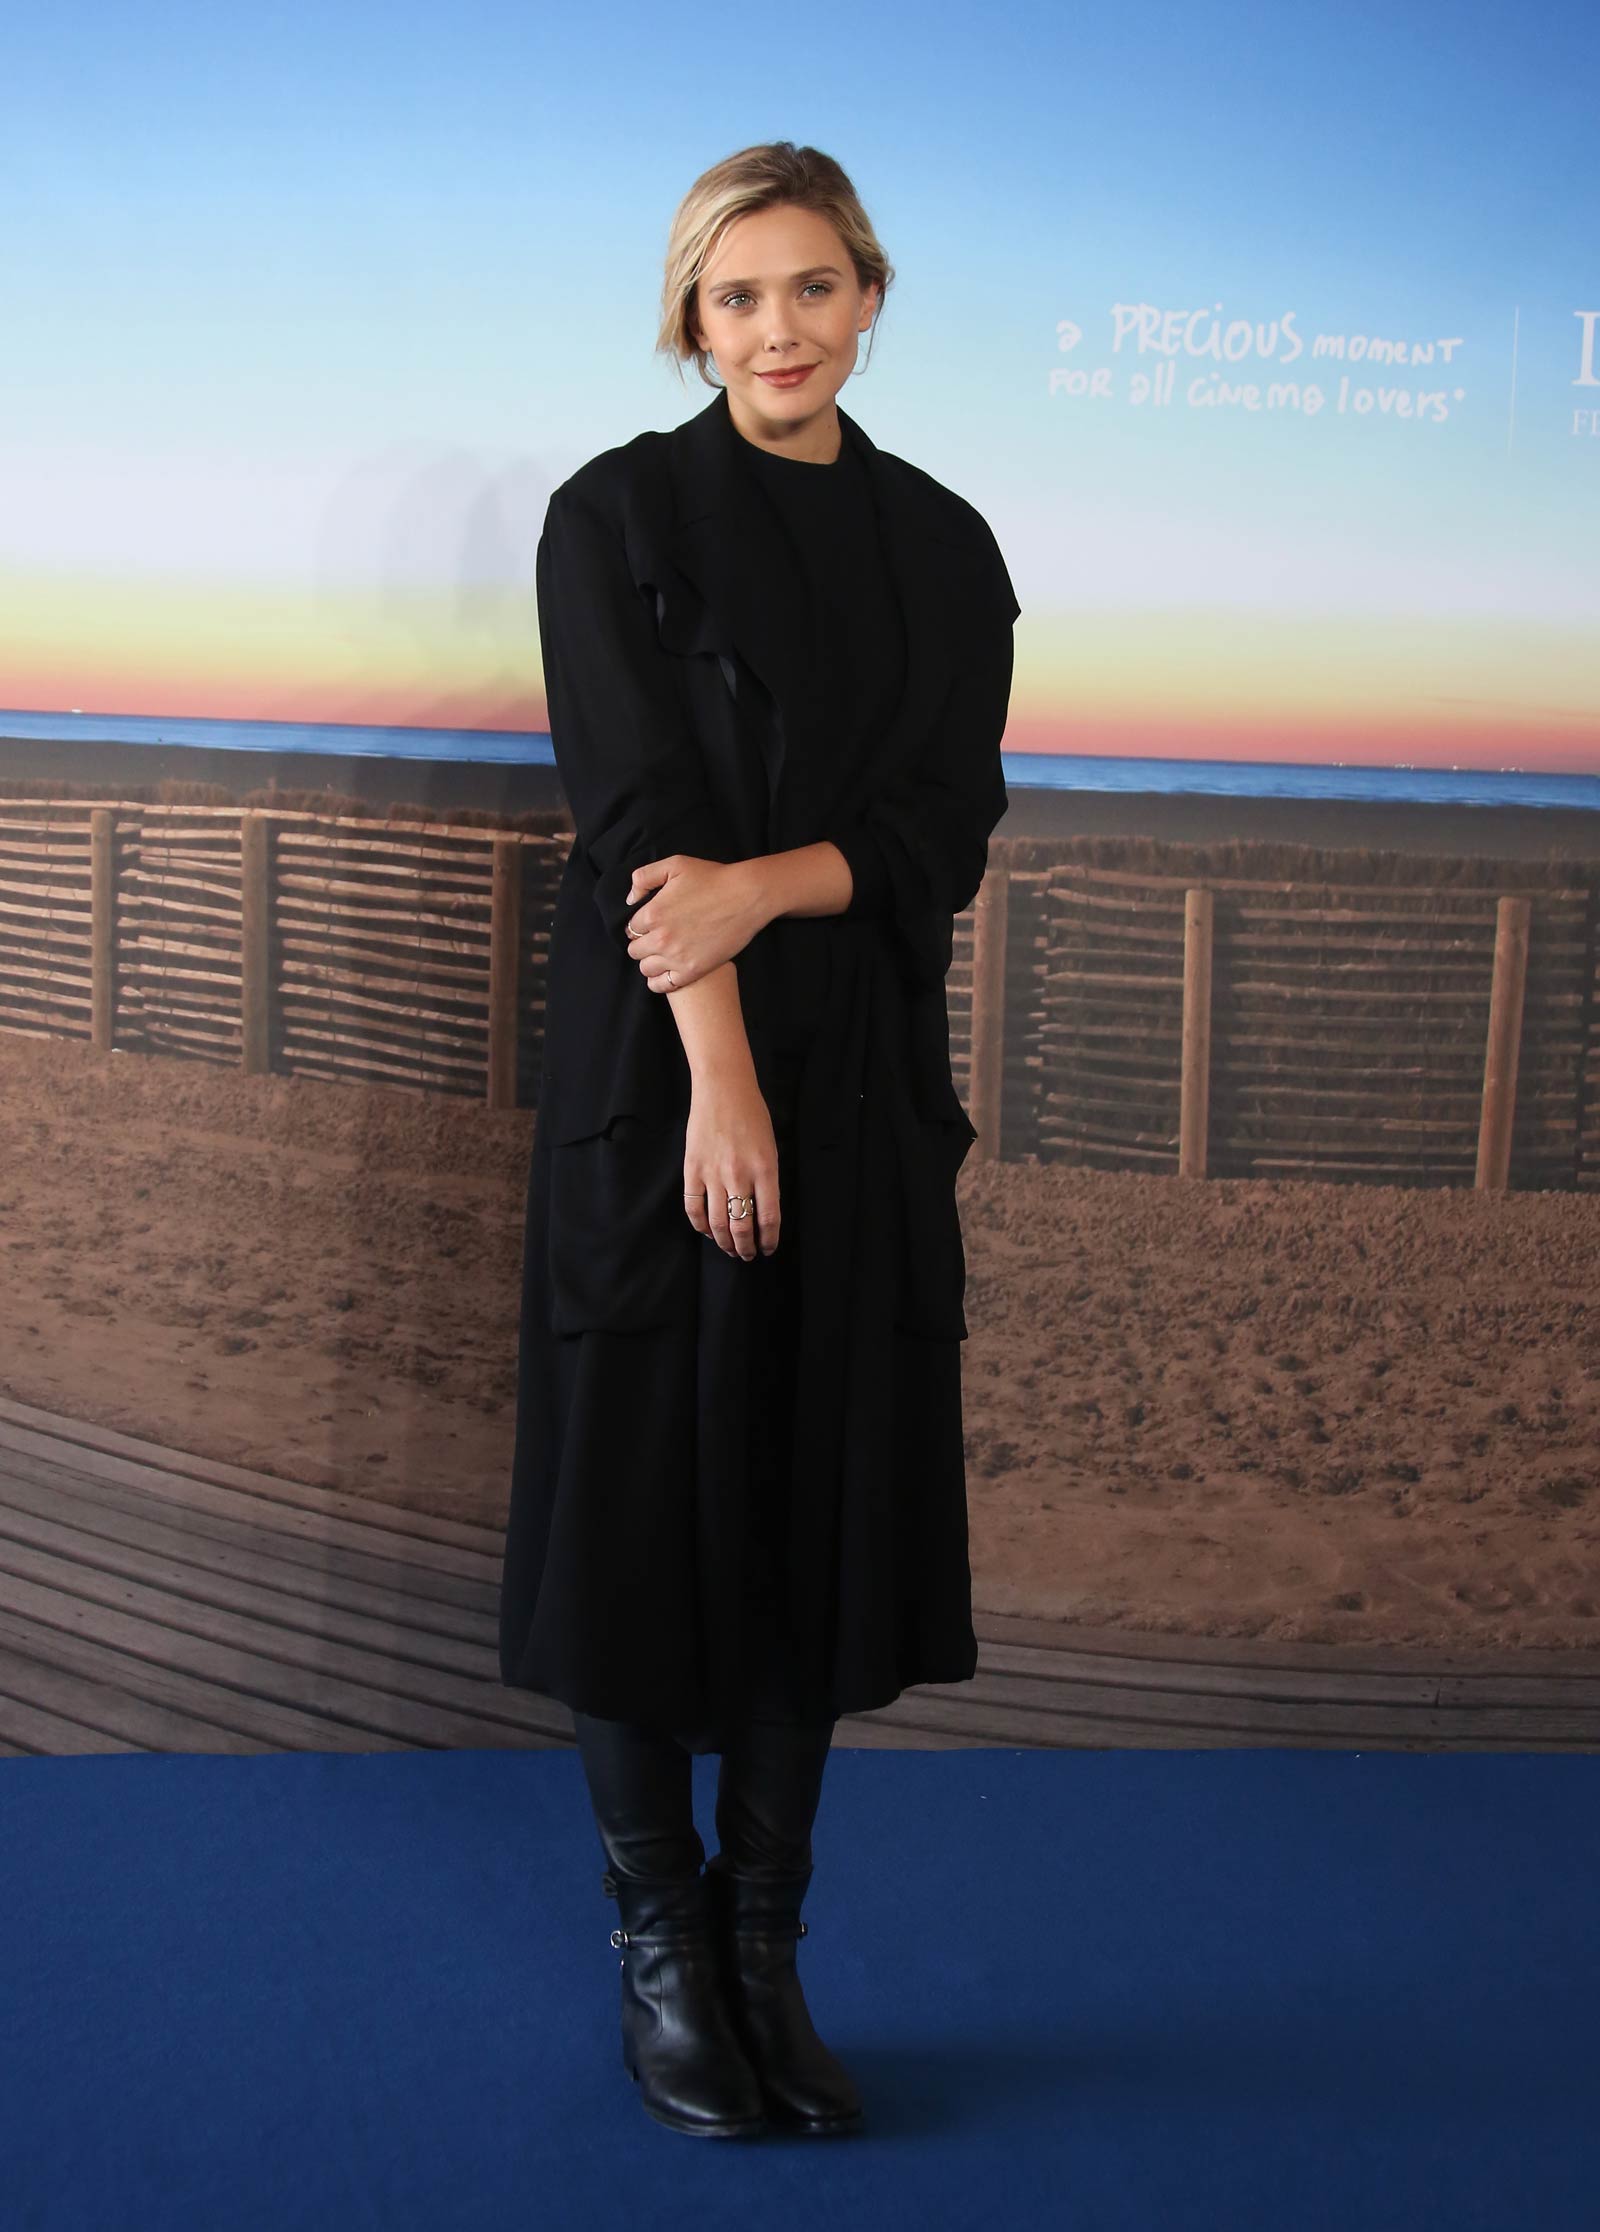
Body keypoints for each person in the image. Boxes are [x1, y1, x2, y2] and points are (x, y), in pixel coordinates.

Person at [498, 141, 1020, 2141]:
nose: (776, 329)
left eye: (810, 288)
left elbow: (936, 837)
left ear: (868, 297)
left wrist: (773, 881)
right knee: (641, 1505)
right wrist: (715, 1063)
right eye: (736, 297)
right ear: (688, 319)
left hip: (865, 1081)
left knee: (812, 1500)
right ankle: (658, 1954)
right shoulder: (611, 514)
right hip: (664, 1086)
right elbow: (640, 826)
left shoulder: (946, 546)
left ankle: (766, 1947)